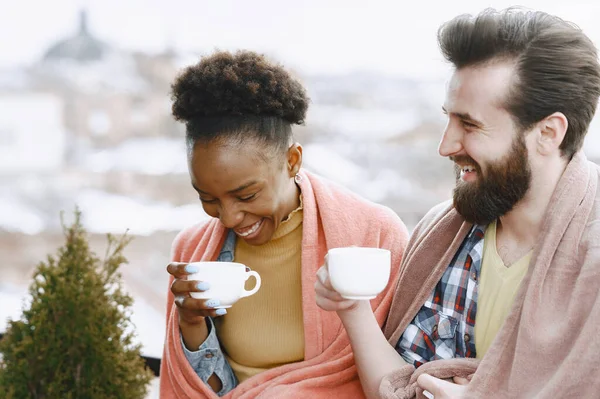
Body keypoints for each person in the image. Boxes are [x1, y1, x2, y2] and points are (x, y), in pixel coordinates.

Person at [315, 8, 600, 399]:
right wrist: (352, 309)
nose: (445, 146)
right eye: (448, 119)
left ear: (548, 132)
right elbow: (399, 387)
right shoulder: (442, 231)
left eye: (469, 125)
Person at [159, 50, 409, 398]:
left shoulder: (374, 237)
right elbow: (206, 390)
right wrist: (190, 325)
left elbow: (401, 375)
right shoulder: (193, 250)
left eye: (246, 196)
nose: (229, 218)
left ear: (292, 161)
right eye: (208, 199)